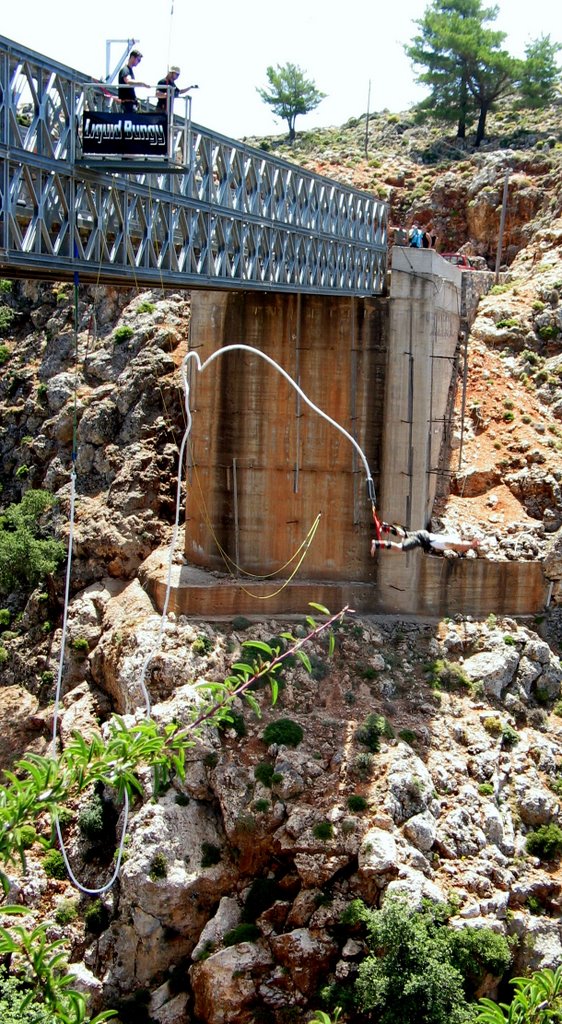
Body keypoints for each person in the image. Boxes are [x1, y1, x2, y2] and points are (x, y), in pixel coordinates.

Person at [371, 522, 480, 556]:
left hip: (424, 535)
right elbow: (460, 544)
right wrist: (471, 544)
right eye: (464, 549)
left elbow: (460, 545)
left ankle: (385, 527)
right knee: (400, 547)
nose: (463, 550)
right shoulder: (453, 543)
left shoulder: (452, 540)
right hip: (422, 540)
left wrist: (470, 544)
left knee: (403, 534)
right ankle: (377, 543)